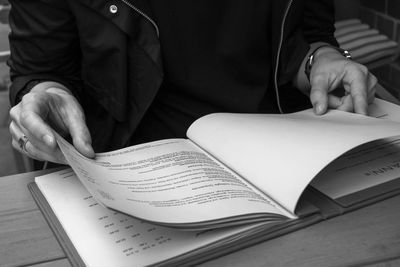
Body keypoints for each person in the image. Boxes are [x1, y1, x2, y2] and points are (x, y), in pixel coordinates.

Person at [7, 0, 376, 167]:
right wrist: (45, 94)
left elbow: (309, 33)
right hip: (130, 161)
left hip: (285, 150)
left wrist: (322, 58)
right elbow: (41, 68)